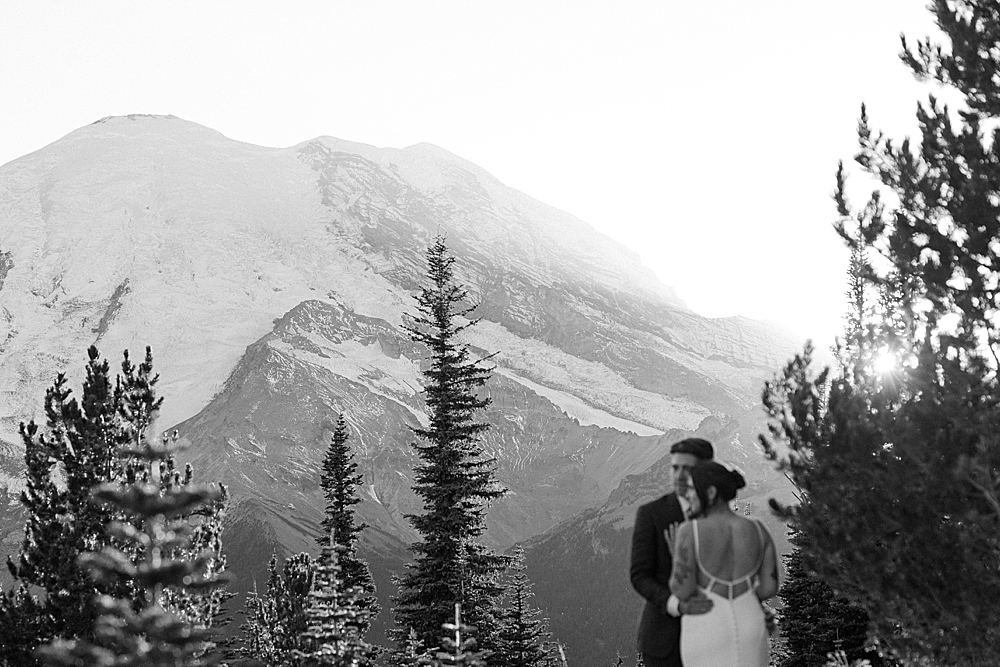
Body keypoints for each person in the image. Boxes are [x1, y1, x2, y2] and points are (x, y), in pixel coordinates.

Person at [669, 461, 779, 667]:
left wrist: (674, 557)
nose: (688, 495)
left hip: (707, 621)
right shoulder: (758, 529)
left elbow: (683, 590)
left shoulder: (689, 531)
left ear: (710, 493)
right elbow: (770, 587)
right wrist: (744, 599)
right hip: (750, 621)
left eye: (692, 489)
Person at [630, 438, 715, 667]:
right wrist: (675, 604)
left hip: (713, 639)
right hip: (664, 643)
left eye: (687, 468)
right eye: (675, 467)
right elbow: (639, 575)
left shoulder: (718, 516)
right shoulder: (652, 514)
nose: (678, 476)